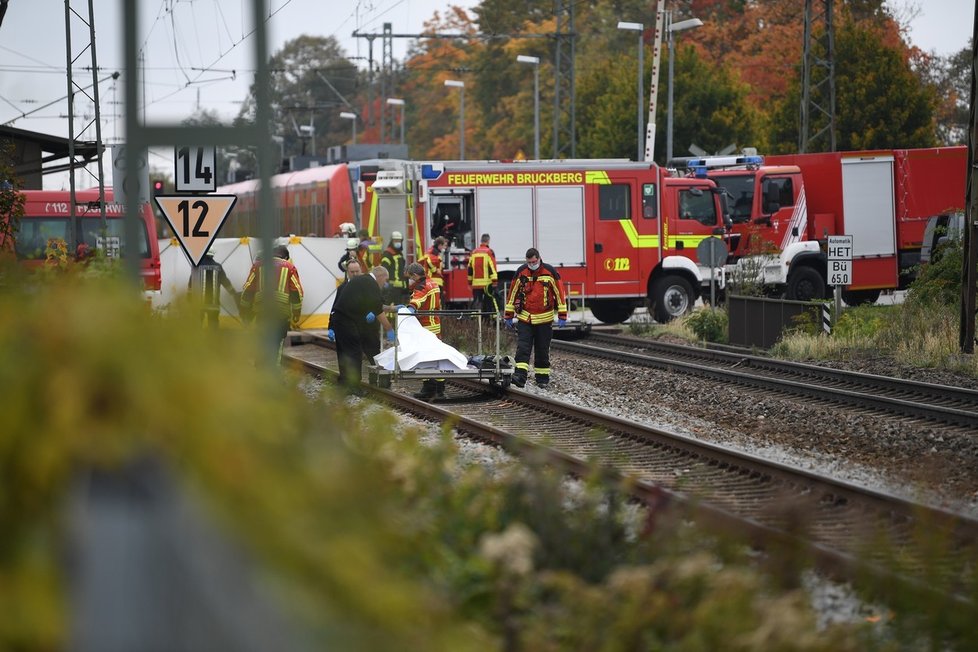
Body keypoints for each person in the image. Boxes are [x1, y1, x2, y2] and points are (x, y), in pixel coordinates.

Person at [503, 247, 567, 389]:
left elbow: (559, 293)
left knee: (542, 349)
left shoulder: (549, 272)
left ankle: (542, 378)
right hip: (526, 318)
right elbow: (512, 293)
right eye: (529, 262)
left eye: (534, 261)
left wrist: (562, 314)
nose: (532, 264)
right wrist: (508, 314)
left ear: (539, 259)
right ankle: (520, 376)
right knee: (523, 348)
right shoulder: (521, 272)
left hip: (544, 319)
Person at [330, 265, 396, 392]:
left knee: (346, 353)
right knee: (354, 353)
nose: (385, 283)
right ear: (380, 276)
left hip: (342, 319)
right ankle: (354, 387)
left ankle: (345, 383)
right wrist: (389, 329)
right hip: (345, 320)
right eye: (385, 280)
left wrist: (392, 308)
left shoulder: (364, 281)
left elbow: (376, 304)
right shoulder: (370, 283)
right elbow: (377, 308)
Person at [240, 244, 304, 363]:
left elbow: (248, 289)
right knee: (277, 345)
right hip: (281, 315)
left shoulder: (258, 266)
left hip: (261, 312)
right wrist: (296, 313)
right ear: (285, 257)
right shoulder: (289, 267)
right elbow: (296, 292)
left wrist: (245, 311)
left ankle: (260, 371)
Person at [404, 261, 445, 399]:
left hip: (425, 327)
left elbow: (417, 301)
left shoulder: (421, 286)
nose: (409, 280)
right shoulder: (433, 283)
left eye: (410, 277)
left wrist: (409, 310)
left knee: (425, 359)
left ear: (415, 275)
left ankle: (429, 389)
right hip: (436, 324)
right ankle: (440, 389)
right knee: (437, 357)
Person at [188, 248, 240, 329]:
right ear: (213, 254)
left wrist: (189, 298)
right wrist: (233, 293)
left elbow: (191, 284)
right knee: (213, 325)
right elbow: (225, 282)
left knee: (197, 326)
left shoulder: (196, 266)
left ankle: (197, 340)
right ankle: (213, 340)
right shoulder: (218, 267)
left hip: (199, 303)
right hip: (214, 302)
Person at [467, 232, 499, 317]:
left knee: (477, 303)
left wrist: (470, 282)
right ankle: (487, 321)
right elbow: (492, 268)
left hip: (476, 284)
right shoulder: (489, 252)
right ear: (488, 241)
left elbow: (470, 268)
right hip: (487, 284)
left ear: (481, 241)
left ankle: (476, 321)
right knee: (488, 304)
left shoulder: (474, 252)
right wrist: (495, 282)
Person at [380, 230, 408, 304]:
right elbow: (384, 268)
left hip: (400, 288)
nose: (398, 242)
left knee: (399, 308)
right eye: (396, 240)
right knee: (391, 308)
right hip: (391, 288)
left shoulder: (399, 254)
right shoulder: (387, 254)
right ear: (392, 241)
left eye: (399, 241)